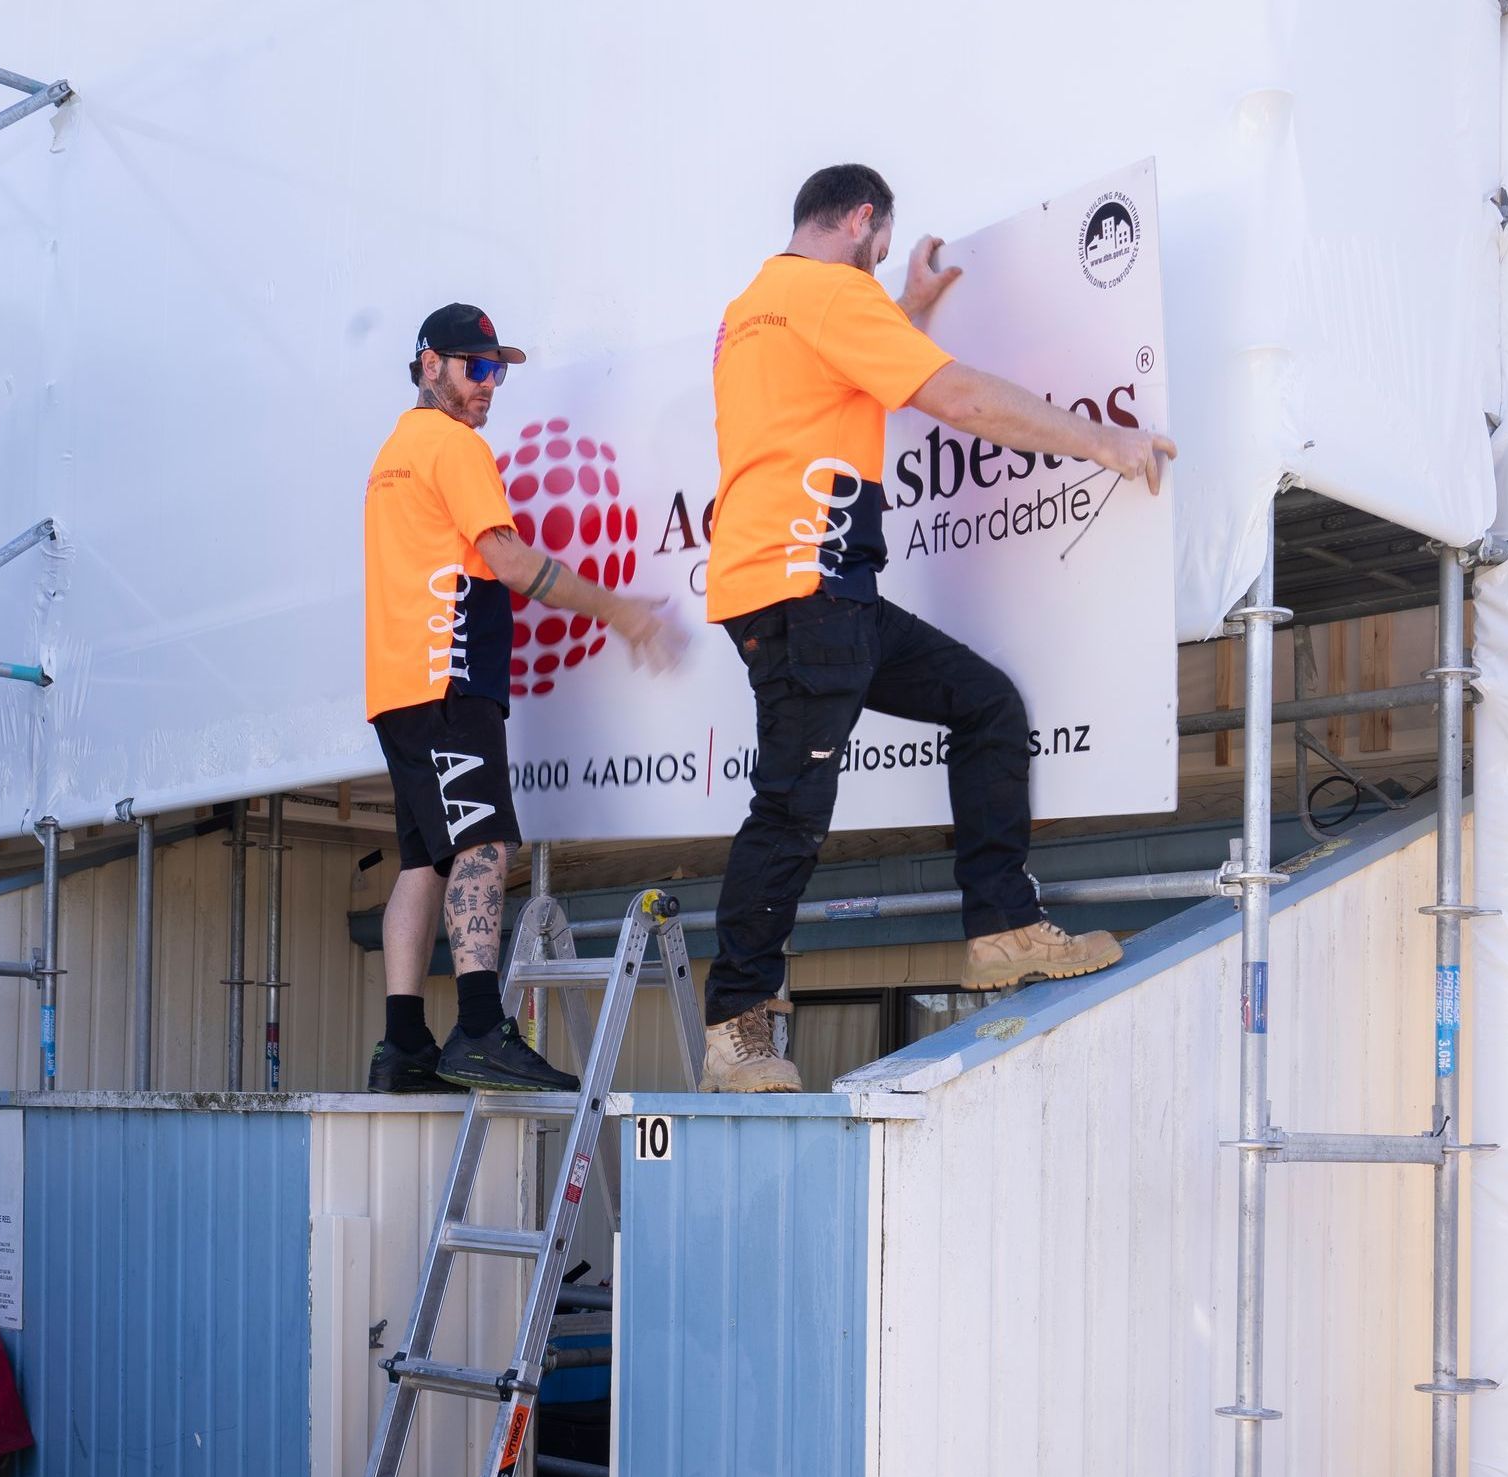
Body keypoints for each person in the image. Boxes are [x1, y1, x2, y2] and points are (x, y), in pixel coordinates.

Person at [699, 165, 1178, 1094]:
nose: (880, 266)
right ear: (864, 219)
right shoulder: (832, 294)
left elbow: (845, 373)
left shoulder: (752, 309)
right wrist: (1103, 441)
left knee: (985, 705)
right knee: (790, 810)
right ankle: (736, 1026)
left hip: (816, 593)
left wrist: (909, 309)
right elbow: (961, 399)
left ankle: (1002, 930)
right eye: (880, 251)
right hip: (808, 589)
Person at [364, 303, 684, 1094]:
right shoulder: (454, 446)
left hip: (400, 687)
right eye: (476, 367)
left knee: (424, 860)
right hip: (448, 676)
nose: (488, 385)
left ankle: (403, 1044)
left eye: (497, 371)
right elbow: (507, 562)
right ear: (430, 364)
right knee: (484, 845)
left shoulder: (395, 451)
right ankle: (479, 1027)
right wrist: (620, 611)